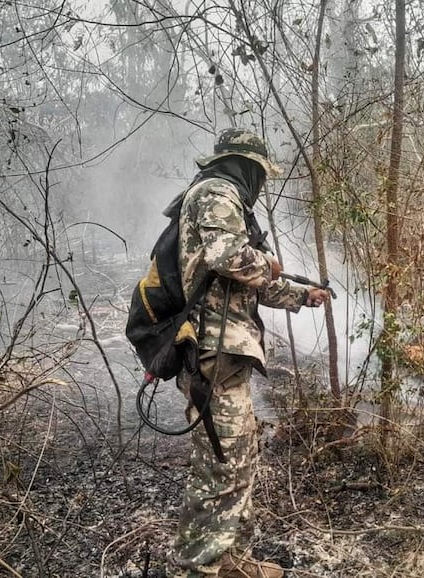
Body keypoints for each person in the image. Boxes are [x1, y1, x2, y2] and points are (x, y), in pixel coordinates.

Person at [167, 129, 330, 578]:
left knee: (239, 460)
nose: (261, 182)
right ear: (247, 166)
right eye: (260, 173)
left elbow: (246, 280)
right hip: (211, 352)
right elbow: (230, 258)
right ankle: (194, 568)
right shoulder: (216, 192)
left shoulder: (229, 200)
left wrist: (301, 295)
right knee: (221, 466)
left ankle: (230, 562)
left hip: (225, 356)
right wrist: (272, 263)